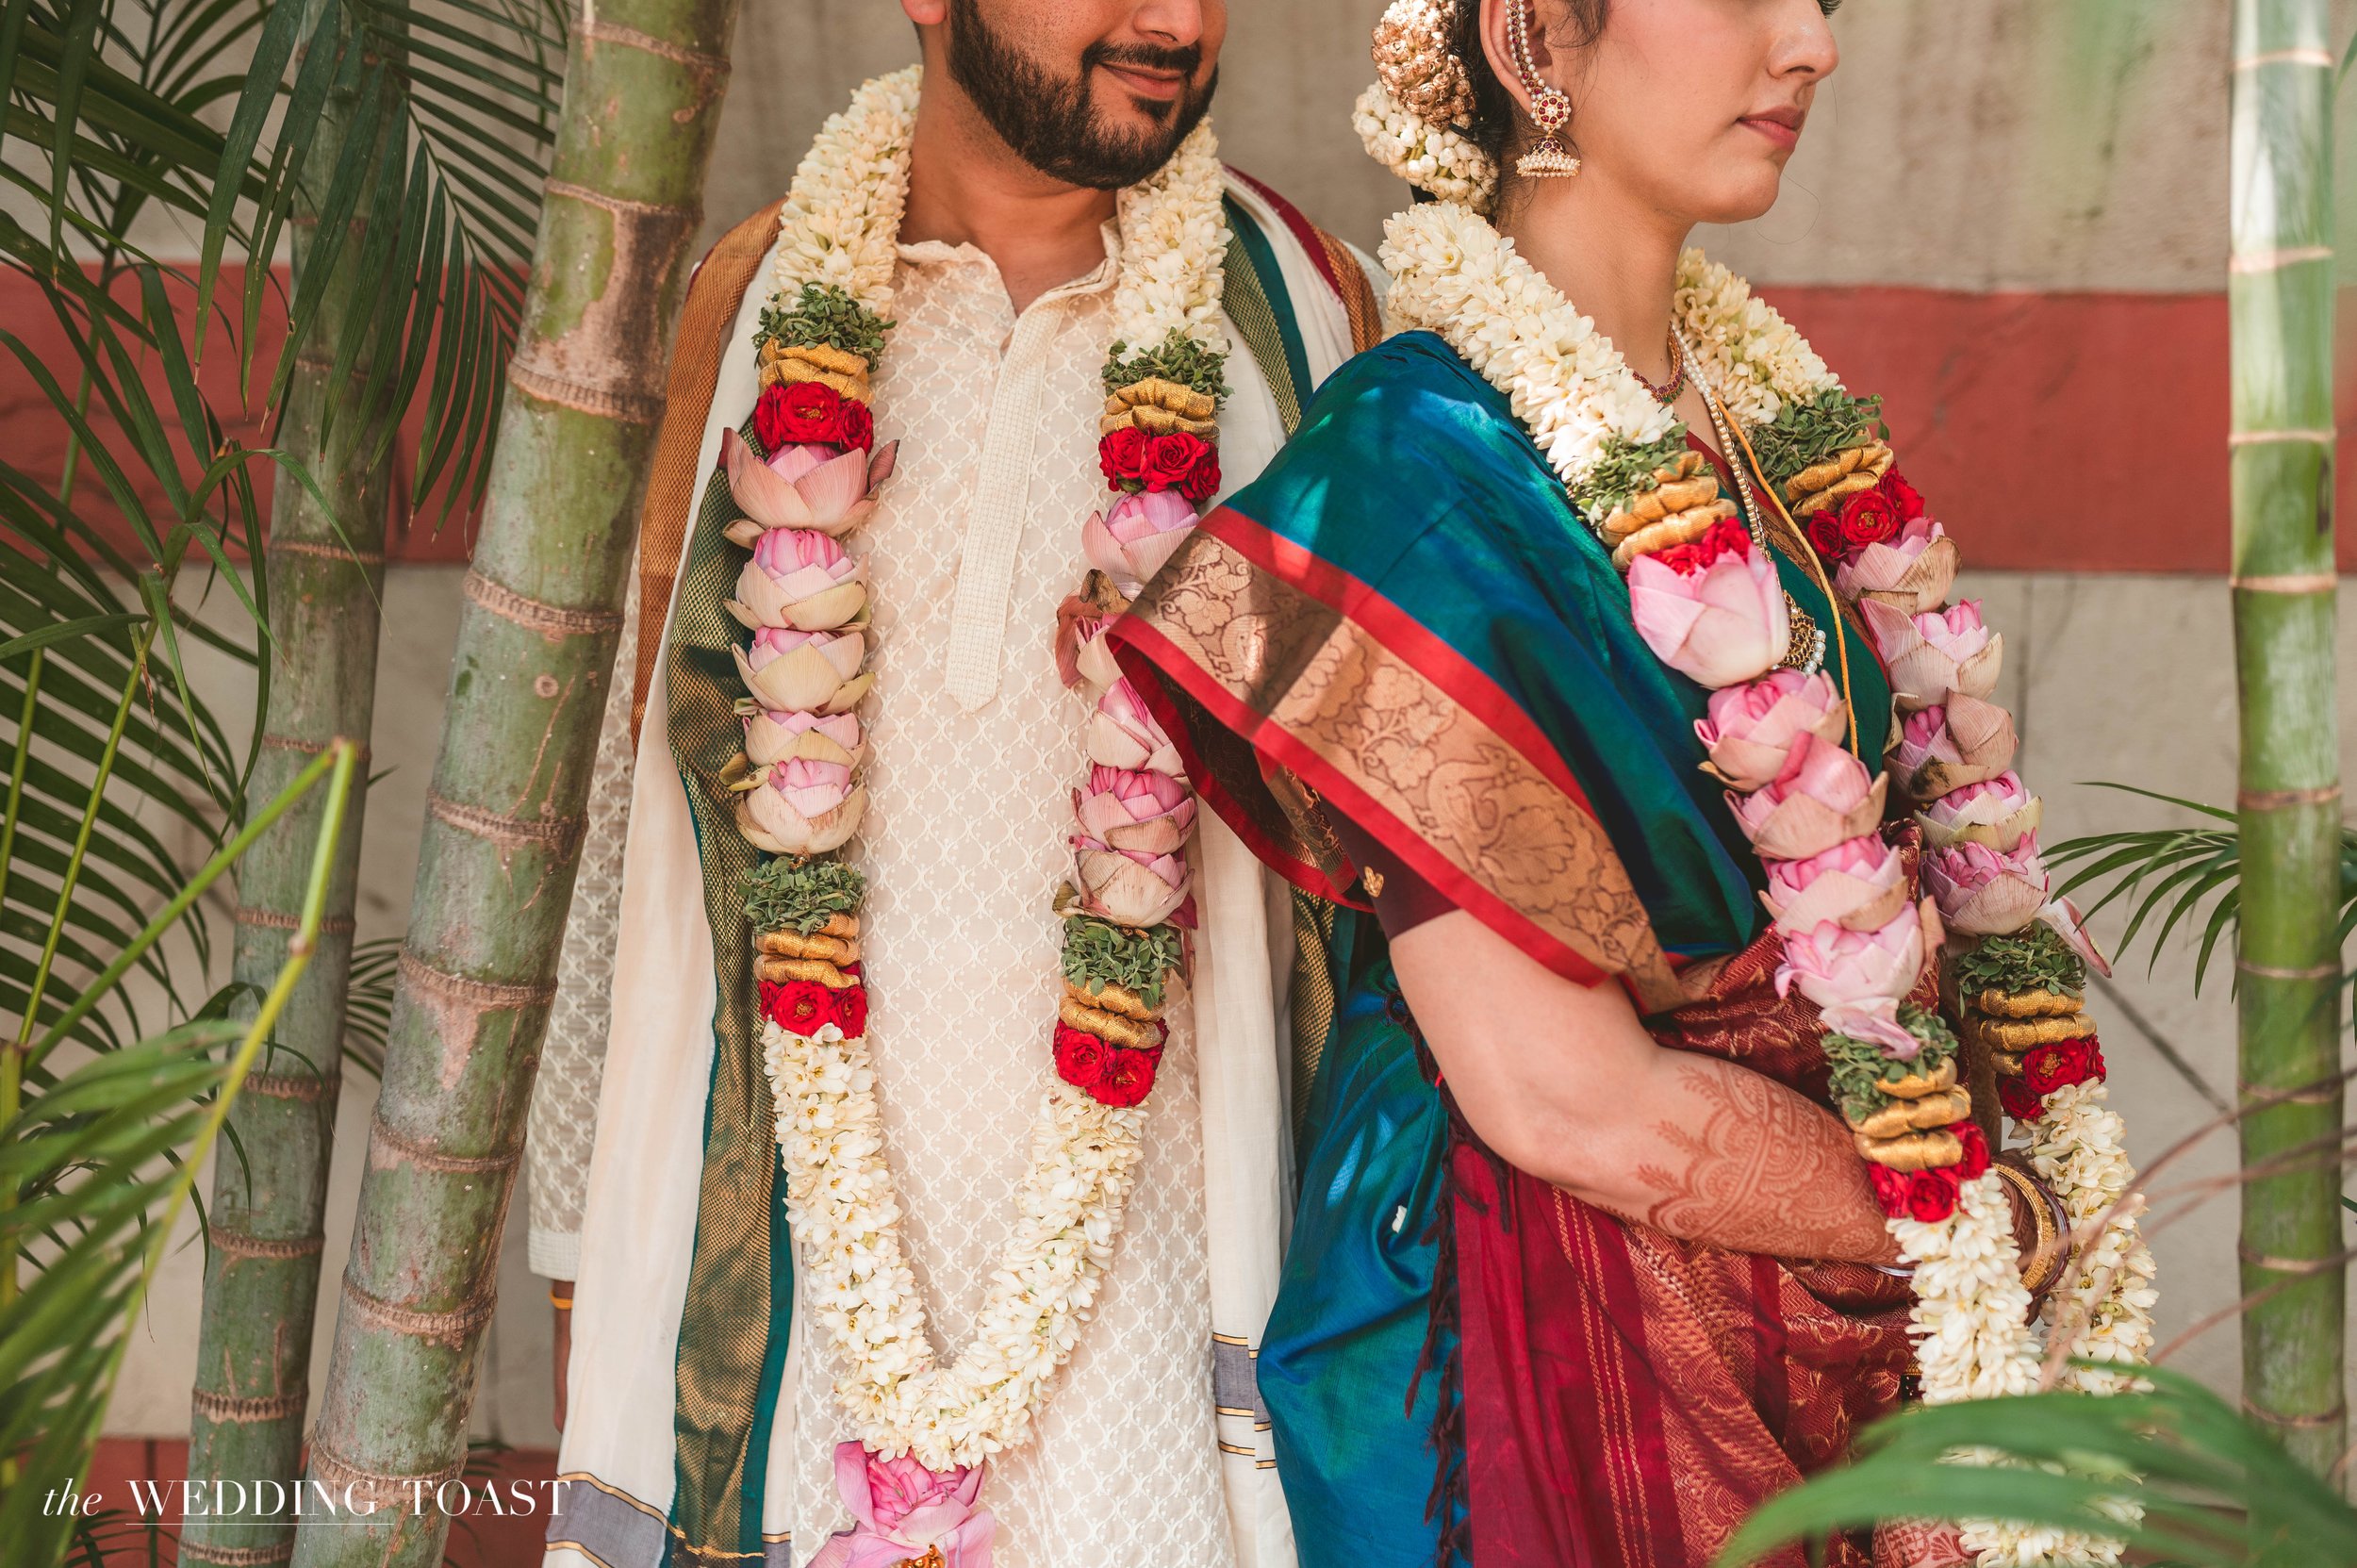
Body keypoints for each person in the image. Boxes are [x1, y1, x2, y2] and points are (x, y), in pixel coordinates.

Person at [1110, 3, 2153, 1566]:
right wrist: (1979, 1223)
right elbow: (1565, 1102)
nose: (1810, 45)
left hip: (1835, 1329)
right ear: (1537, 37)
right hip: (1544, 1362)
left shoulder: (1764, 429)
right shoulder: (1411, 463)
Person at [532, 5, 1383, 1568]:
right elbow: (638, 787)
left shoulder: (1308, 327)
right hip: (794, 1268)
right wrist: (588, 1230)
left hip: (1163, 1295)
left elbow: (1386, 869)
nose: (1178, 22)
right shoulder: (761, 297)